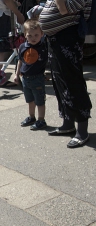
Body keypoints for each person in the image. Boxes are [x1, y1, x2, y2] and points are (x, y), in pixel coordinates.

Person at [39, 0, 93, 148]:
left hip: (69, 38)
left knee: (73, 83)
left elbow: (64, 9)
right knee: (59, 82)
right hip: (55, 38)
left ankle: (82, 131)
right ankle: (68, 123)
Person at [14, 19, 48, 130]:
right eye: (30, 35)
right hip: (25, 78)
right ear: (25, 35)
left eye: (36, 35)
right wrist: (17, 74)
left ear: (42, 34)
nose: (33, 38)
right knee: (30, 100)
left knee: (40, 101)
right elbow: (20, 61)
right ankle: (31, 117)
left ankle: (41, 120)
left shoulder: (43, 46)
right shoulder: (23, 47)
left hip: (37, 78)